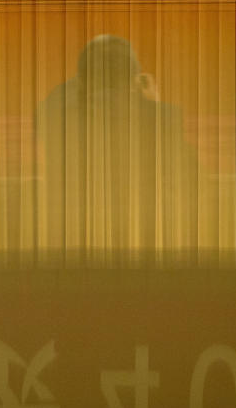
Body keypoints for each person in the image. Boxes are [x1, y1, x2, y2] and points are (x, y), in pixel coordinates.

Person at [36, 35, 196, 252]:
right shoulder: (162, 118)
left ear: (82, 81)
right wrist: (153, 104)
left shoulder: (59, 119)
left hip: (76, 243)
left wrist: (88, 78)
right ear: (133, 80)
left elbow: (51, 104)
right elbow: (190, 178)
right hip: (144, 244)